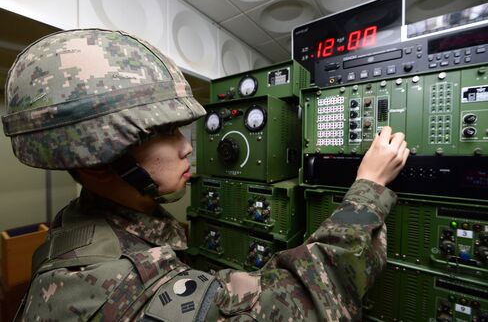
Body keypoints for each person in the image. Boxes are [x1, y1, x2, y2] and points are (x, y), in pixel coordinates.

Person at [2, 29, 409, 321]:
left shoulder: (79, 225)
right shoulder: (124, 289)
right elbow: (309, 302)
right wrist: (368, 189)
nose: (187, 146)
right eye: (162, 132)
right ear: (97, 160)